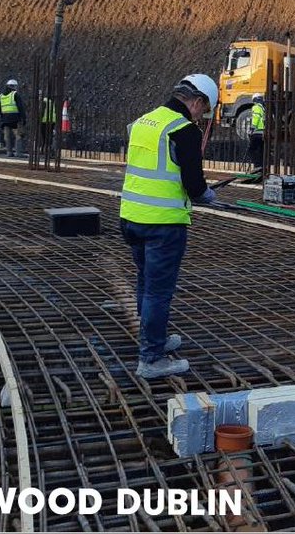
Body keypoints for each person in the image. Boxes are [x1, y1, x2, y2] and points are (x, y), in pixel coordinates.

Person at [120, 73, 219, 380]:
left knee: (145, 282)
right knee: (158, 292)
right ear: (197, 101)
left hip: (131, 217)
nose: (201, 117)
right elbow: (194, 185)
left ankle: (154, 339)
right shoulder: (183, 130)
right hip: (163, 224)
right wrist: (206, 195)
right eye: (204, 110)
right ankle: (150, 358)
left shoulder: (144, 121)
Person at [0, 79, 26, 157]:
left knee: (7, 136)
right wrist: (23, 118)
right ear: (14, 86)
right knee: (18, 135)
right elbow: (21, 107)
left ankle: (9, 152)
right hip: (15, 118)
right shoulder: (15, 94)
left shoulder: (1, 96)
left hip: (5, 119)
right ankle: (18, 152)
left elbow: (0, 109)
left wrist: (2, 119)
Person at [247, 93, 265, 171]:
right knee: (261, 151)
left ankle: (257, 166)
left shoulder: (256, 107)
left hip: (256, 132)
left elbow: (256, 117)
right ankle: (261, 167)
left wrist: (252, 128)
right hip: (263, 132)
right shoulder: (263, 108)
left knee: (251, 150)